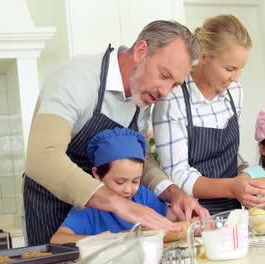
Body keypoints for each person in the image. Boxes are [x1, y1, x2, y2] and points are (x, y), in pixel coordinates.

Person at [23, 20, 209, 246]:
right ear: (141, 51)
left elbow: (141, 157)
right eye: (163, 75)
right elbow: (42, 157)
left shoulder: (142, 95)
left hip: (107, 207)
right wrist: (118, 202)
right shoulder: (76, 79)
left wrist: (172, 192)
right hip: (50, 206)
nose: (164, 91)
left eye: (174, 85)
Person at [153, 14, 265, 215]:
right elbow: (178, 174)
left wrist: (245, 175)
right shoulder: (172, 100)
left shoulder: (235, 92)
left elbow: (230, 153)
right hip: (194, 212)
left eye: (240, 69)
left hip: (235, 209)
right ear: (205, 57)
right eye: (230, 69)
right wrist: (233, 187)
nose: (236, 78)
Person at [51, 128, 184, 244]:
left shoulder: (143, 196)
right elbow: (57, 239)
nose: (129, 190)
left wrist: (189, 217)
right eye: (120, 182)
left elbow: (171, 218)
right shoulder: (89, 207)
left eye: (136, 181)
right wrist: (98, 240)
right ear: (97, 174)